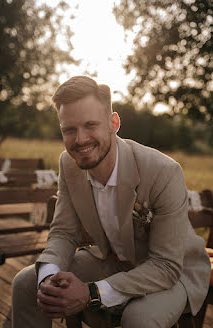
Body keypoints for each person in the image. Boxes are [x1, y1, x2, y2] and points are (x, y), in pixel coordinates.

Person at [12, 76, 211, 328]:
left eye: (90, 125)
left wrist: (92, 292)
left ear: (113, 123)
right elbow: (63, 232)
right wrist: (49, 279)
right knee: (27, 284)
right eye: (69, 130)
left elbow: (166, 265)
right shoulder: (68, 164)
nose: (80, 139)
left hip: (173, 270)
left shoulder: (164, 171)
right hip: (113, 259)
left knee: (140, 319)